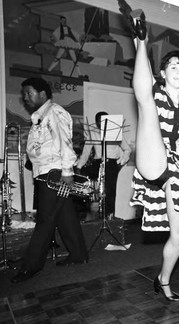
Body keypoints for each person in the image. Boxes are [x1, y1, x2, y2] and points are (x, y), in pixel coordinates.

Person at [119, 0, 179, 301]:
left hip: (176, 172)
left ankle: (163, 279)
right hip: (152, 157)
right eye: (172, 65)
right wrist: (141, 43)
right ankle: (141, 35)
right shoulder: (157, 88)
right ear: (164, 73)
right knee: (145, 99)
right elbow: (145, 83)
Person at [11, 77, 89, 283]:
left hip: (54, 172)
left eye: (29, 92)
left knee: (45, 220)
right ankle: (79, 255)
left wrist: (66, 171)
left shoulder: (54, 112)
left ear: (43, 94)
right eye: (24, 94)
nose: (25, 97)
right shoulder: (41, 115)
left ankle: (30, 267)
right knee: (64, 215)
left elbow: (65, 142)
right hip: (46, 171)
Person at [75, 111, 131, 218]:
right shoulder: (93, 132)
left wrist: (120, 162)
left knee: (110, 190)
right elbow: (86, 152)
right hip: (98, 163)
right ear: (96, 122)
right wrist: (79, 167)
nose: (101, 123)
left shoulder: (115, 132)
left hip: (111, 164)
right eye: (99, 121)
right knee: (81, 178)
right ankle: (85, 210)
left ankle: (109, 216)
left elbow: (127, 149)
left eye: (104, 120)